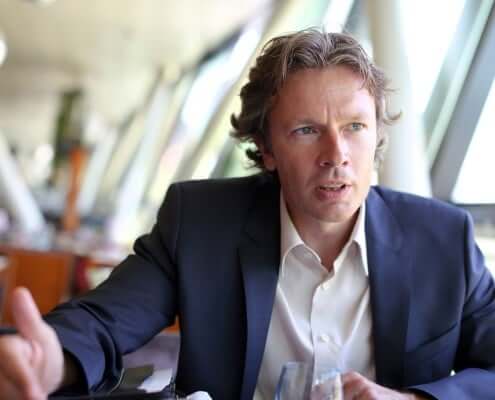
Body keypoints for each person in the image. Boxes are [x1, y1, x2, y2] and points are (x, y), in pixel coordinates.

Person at [1, 28, 494, 400]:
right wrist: (52, 358)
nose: (336, 155)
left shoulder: (442, 239)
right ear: (267, 149)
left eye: (355, 127)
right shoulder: (201, 222)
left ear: (378, 135)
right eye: (306, 130)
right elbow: (105, 321)